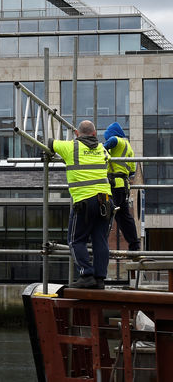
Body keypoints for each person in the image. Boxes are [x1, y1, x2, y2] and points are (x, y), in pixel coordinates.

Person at [48, 120, 112, 289]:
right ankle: (100, 279)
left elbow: (49, 143)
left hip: (85, 201)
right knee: (101, 241)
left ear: (77, 134)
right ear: (94, 133)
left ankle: (86, 274)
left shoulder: (71, 147)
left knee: (75, 240)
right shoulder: (102, 149)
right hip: (105, 200)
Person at [103, 122, 140, 251]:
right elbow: (132, 171)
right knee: (123, 216)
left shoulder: (116, 140)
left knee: (107, 213)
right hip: (123, 186)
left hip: (115, 185)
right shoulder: (128, 147)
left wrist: (103, 150)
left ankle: (100, 243)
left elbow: (107, 145)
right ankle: (134, 245)